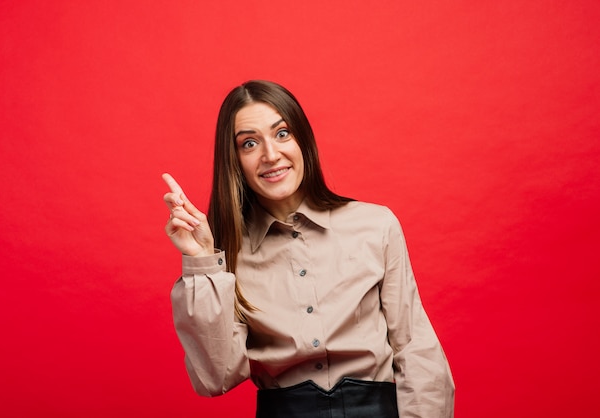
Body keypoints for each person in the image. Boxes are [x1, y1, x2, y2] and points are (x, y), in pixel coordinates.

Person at [162, 80, 455, 418]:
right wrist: (202, 262)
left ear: (303, 139)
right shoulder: (226, 255)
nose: (271, 155)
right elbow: (215, 377)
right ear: (235, 160)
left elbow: (416, 349)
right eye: (250, 143)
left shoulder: (376, 225)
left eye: (282, 133)